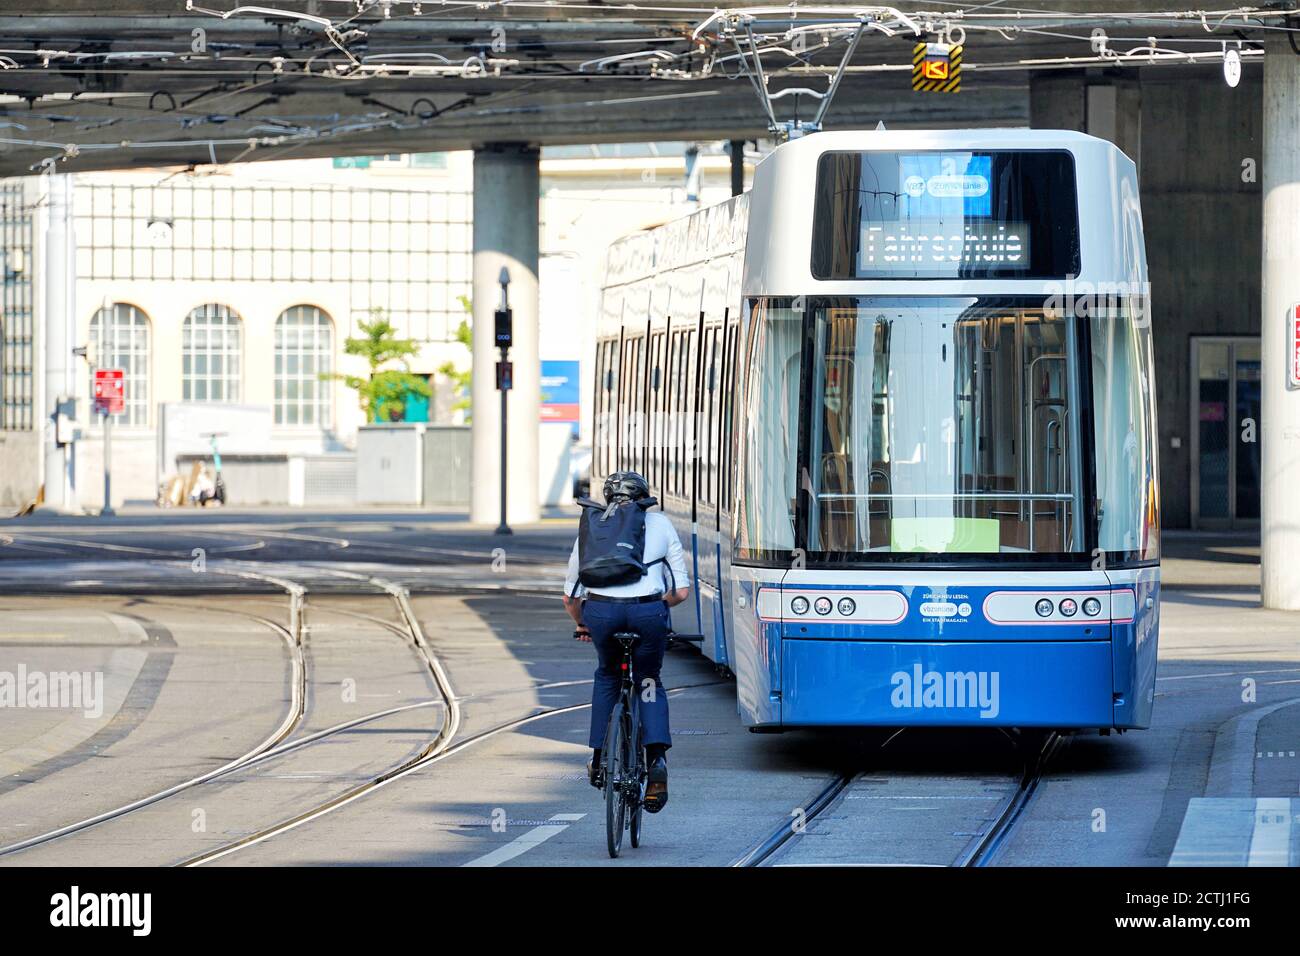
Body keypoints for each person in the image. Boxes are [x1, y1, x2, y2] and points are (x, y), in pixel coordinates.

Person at [562, 471, 690, 813]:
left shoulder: (594, 527)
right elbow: (681, 592)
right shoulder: (660, 524)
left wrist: (582, 623)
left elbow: (570, 596)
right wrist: (658, 608)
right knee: (648, 679)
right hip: (647, 615)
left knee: (607, 675)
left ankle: (599, 757)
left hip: (601, 614)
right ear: (644, 497)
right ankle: (657, 764)